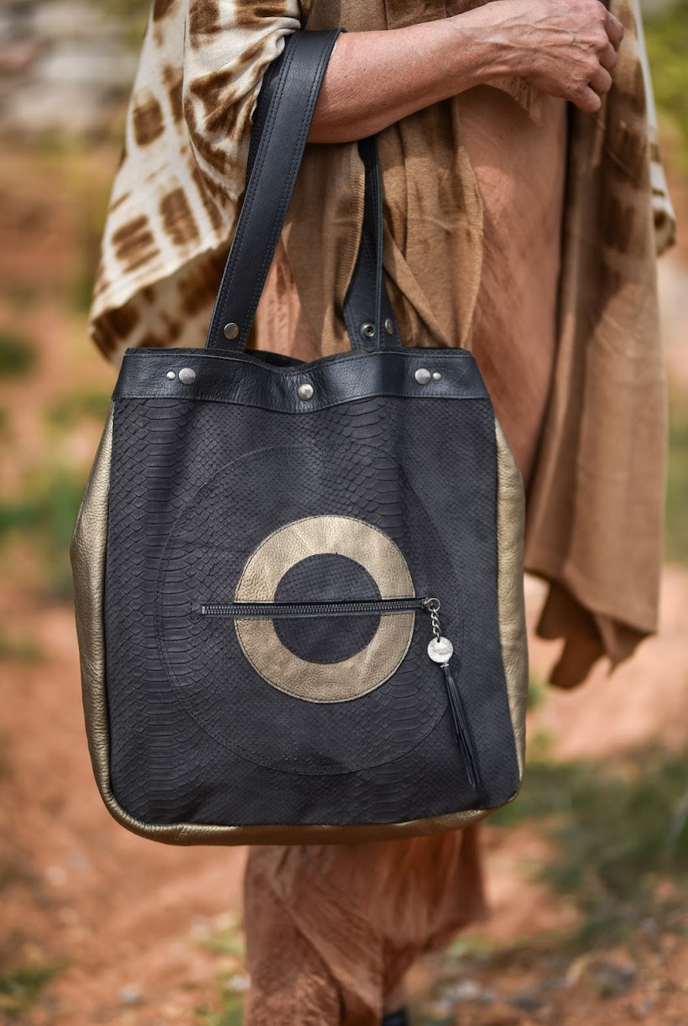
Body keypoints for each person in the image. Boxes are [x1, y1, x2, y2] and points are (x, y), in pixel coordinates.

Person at [88, 1, 674, 1023]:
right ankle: (308, 1002)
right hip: (359, 259)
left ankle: (378, 983)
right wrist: (494, 41)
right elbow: (244, 86)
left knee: (434, 649)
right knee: (333, 670)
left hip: (511, 274)